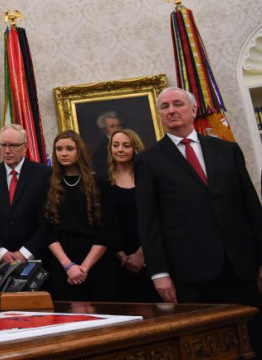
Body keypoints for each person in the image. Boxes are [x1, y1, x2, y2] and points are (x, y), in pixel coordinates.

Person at [136, 87, 262, 354]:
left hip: (241, 266)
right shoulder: (148, 160)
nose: (171, 110)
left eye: (177, 104)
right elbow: (149, 221)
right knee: (206, 346)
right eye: (165, 106)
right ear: (159, 114)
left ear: (193, 109)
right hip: (191, 272)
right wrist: (159, 273)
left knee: (253, 339)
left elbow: (252, 208)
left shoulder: (227, 150)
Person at [41, 130, 118, 301]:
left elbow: (106, 230)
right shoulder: (47, 186)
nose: (63, 153)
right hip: (62, 261)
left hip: (97, 262)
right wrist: (69, 266)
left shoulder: (101, 185)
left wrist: (84, 267)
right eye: (59, 149)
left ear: (79, 151)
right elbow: (47, 231)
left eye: (69, 149)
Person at [0, 124, 51, 274]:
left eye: (13, 145)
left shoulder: (44, 174)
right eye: (3, 145)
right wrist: (0, 253)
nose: (7, 150)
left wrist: (26, 252)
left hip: (36, 263)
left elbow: (48, 220)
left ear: (25, 147)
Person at [107, 128, 159, 302]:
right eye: (116, 145)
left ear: (135, 148)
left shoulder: (148, 178)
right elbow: (104, 223)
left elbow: (156, 216)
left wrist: (142, 253)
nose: (120, 149)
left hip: (149, 253)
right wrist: (120, 255)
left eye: (126, 145)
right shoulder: (103, 181)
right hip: (116, 259)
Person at [92, 111, 122, 181]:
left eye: (118, 125)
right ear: (104, 130)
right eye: (112, 126)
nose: (117, 129)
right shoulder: (101, 151)